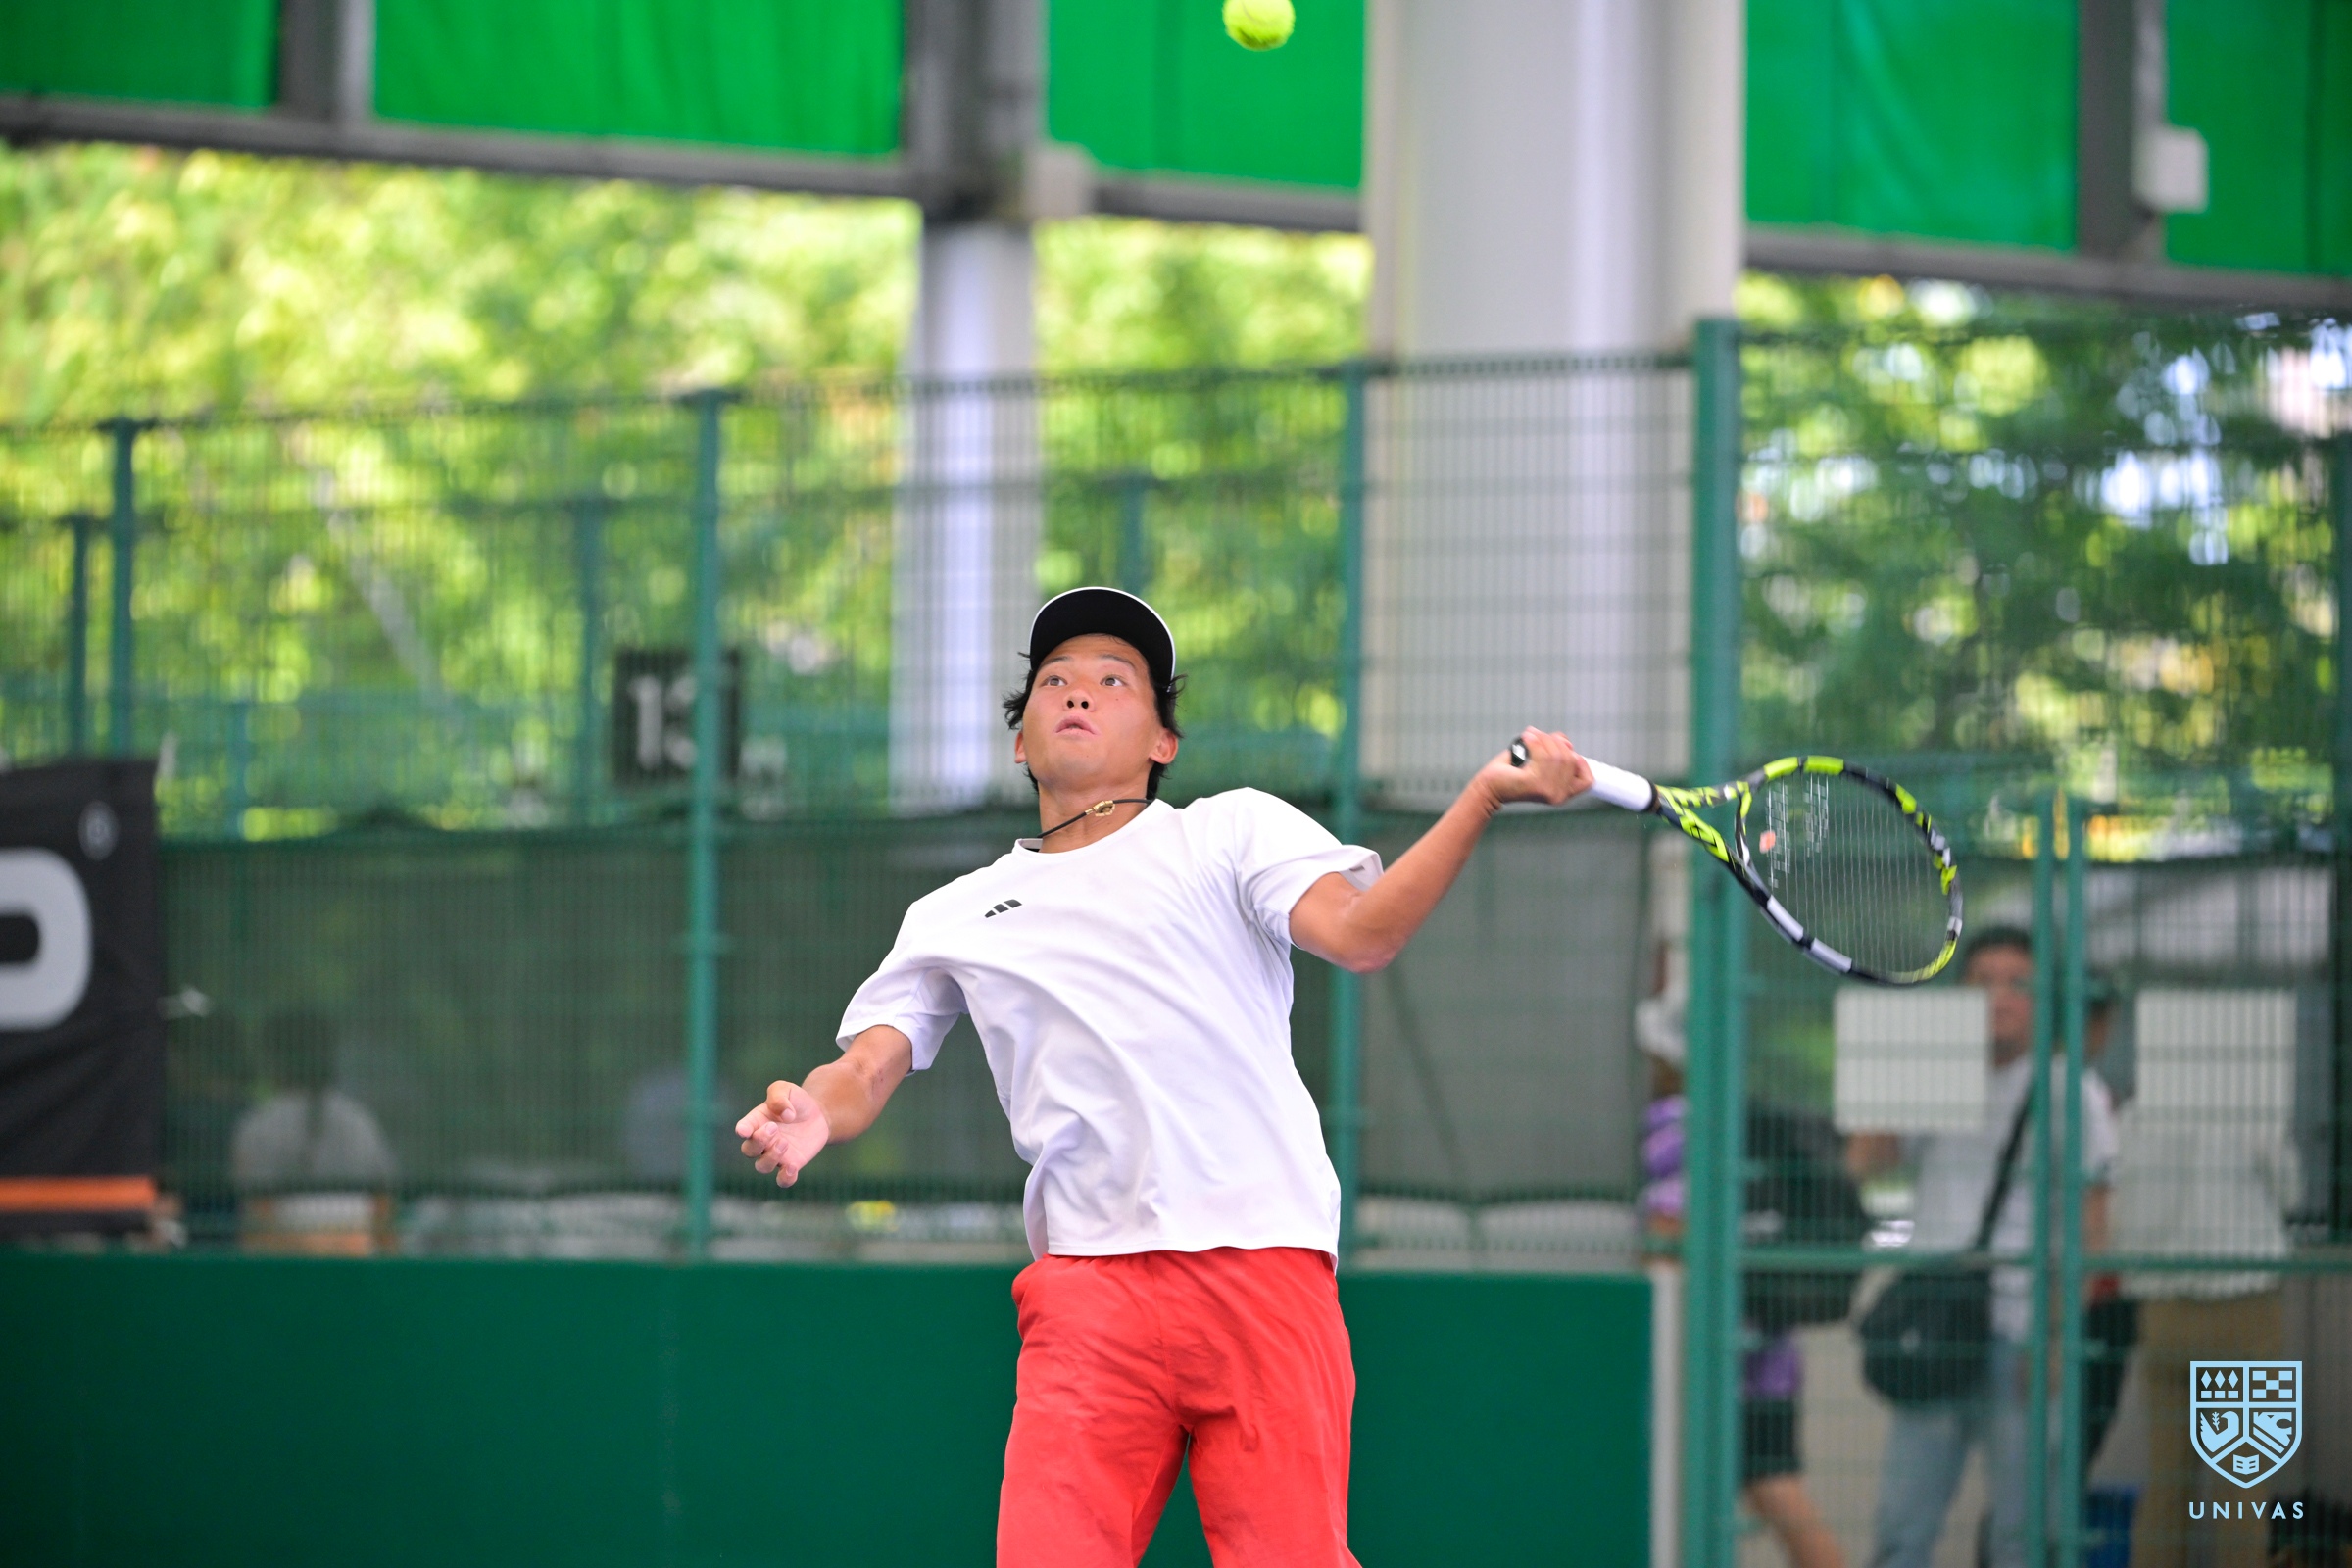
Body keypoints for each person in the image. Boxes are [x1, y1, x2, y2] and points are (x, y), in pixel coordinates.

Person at [735, 587, 1592, 1567]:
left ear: (1163, 742)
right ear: (1019, 744)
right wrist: (813, 1113)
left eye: (1114, 681)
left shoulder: (1229, 834)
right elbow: (865, 1066)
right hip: (1087, 1295)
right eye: (1054, 681)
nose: (1078, 693)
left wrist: (1481, 797)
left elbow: (1364, 934)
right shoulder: (953, 914)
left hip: (1263, 1269)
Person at [1846, 927, 2118, 1568]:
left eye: (2017, 983)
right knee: (1902, 1525)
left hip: (2023, 1334)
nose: (1999, 997)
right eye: (1982, 982)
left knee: (2024, 1534)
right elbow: (1865, 1164)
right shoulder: (1938, 1076)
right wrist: (1890, 1075)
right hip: (1935, 1328)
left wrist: (2058, 1335)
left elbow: (2093, 1224)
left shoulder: (2070, 1091)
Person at [1641, 1030, 1853, 1568]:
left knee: (1760, 1492)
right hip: (1769, 1354)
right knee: (1771, 1489)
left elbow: (1667, 1234)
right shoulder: (1728, 1121)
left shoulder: (1671, 1126)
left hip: (1710, 1362)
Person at [2112, 989, 2299, 1568]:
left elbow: (2122, 1212)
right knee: (2241, 1482)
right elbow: (2292, 1193)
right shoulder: (2248, 1112)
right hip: (2242, 1307)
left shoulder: (2134, 1118)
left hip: (2163, 1311)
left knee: (2167, 1484)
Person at [230, 1008, 398, 1254]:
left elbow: (258, 1217)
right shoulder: (360, 1122)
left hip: (290, 1266)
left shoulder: (259, 1127)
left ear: (273, 1059)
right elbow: (383, 1212)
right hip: (353, 1264)